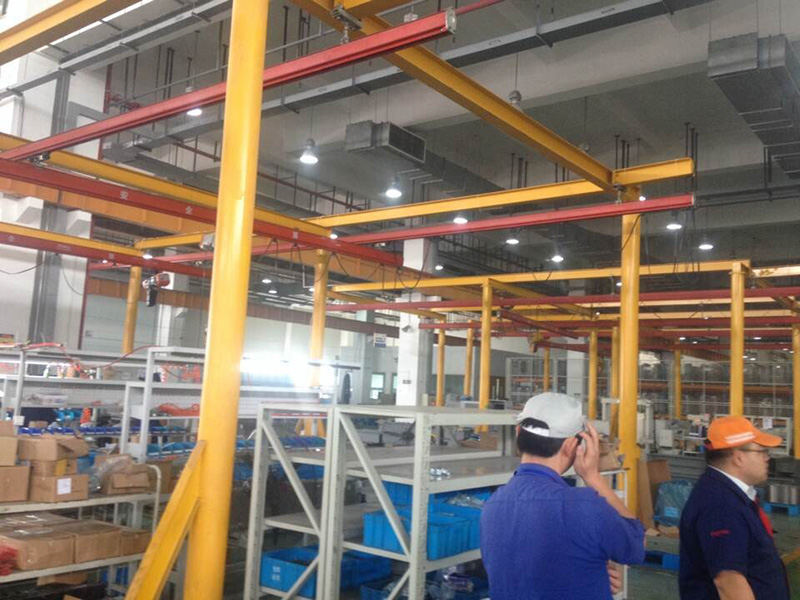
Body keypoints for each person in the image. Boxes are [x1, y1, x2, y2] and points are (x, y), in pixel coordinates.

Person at [480, 393, 645, 599]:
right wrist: (593, 477)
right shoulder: (584, 506)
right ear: (571, 446)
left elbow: (528, 570)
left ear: (518, 432)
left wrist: (589, 568)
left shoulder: (492, 505)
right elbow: (636, 547)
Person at [679, 416, 789, 600]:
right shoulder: (720, 505)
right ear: (738, 457)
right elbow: (729, 582)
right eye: (761, 451)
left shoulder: (731, 496)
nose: (767, 458)